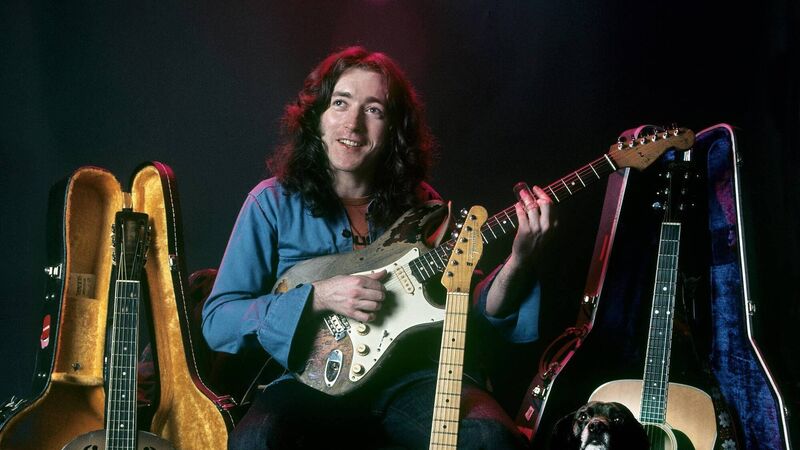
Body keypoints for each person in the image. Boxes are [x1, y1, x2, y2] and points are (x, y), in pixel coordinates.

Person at [201, 46, 554, 449]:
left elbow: (464, 308)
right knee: (256, 441)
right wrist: (317, 297)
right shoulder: (271, 203)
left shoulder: (424, 207)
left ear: (394, 130)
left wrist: (520, 260)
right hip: (307, 381)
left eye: (373, 110)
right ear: (317, 117)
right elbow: (218, 321)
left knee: (490, 437)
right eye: (340, 103)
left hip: (412, 377)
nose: (352, 123)